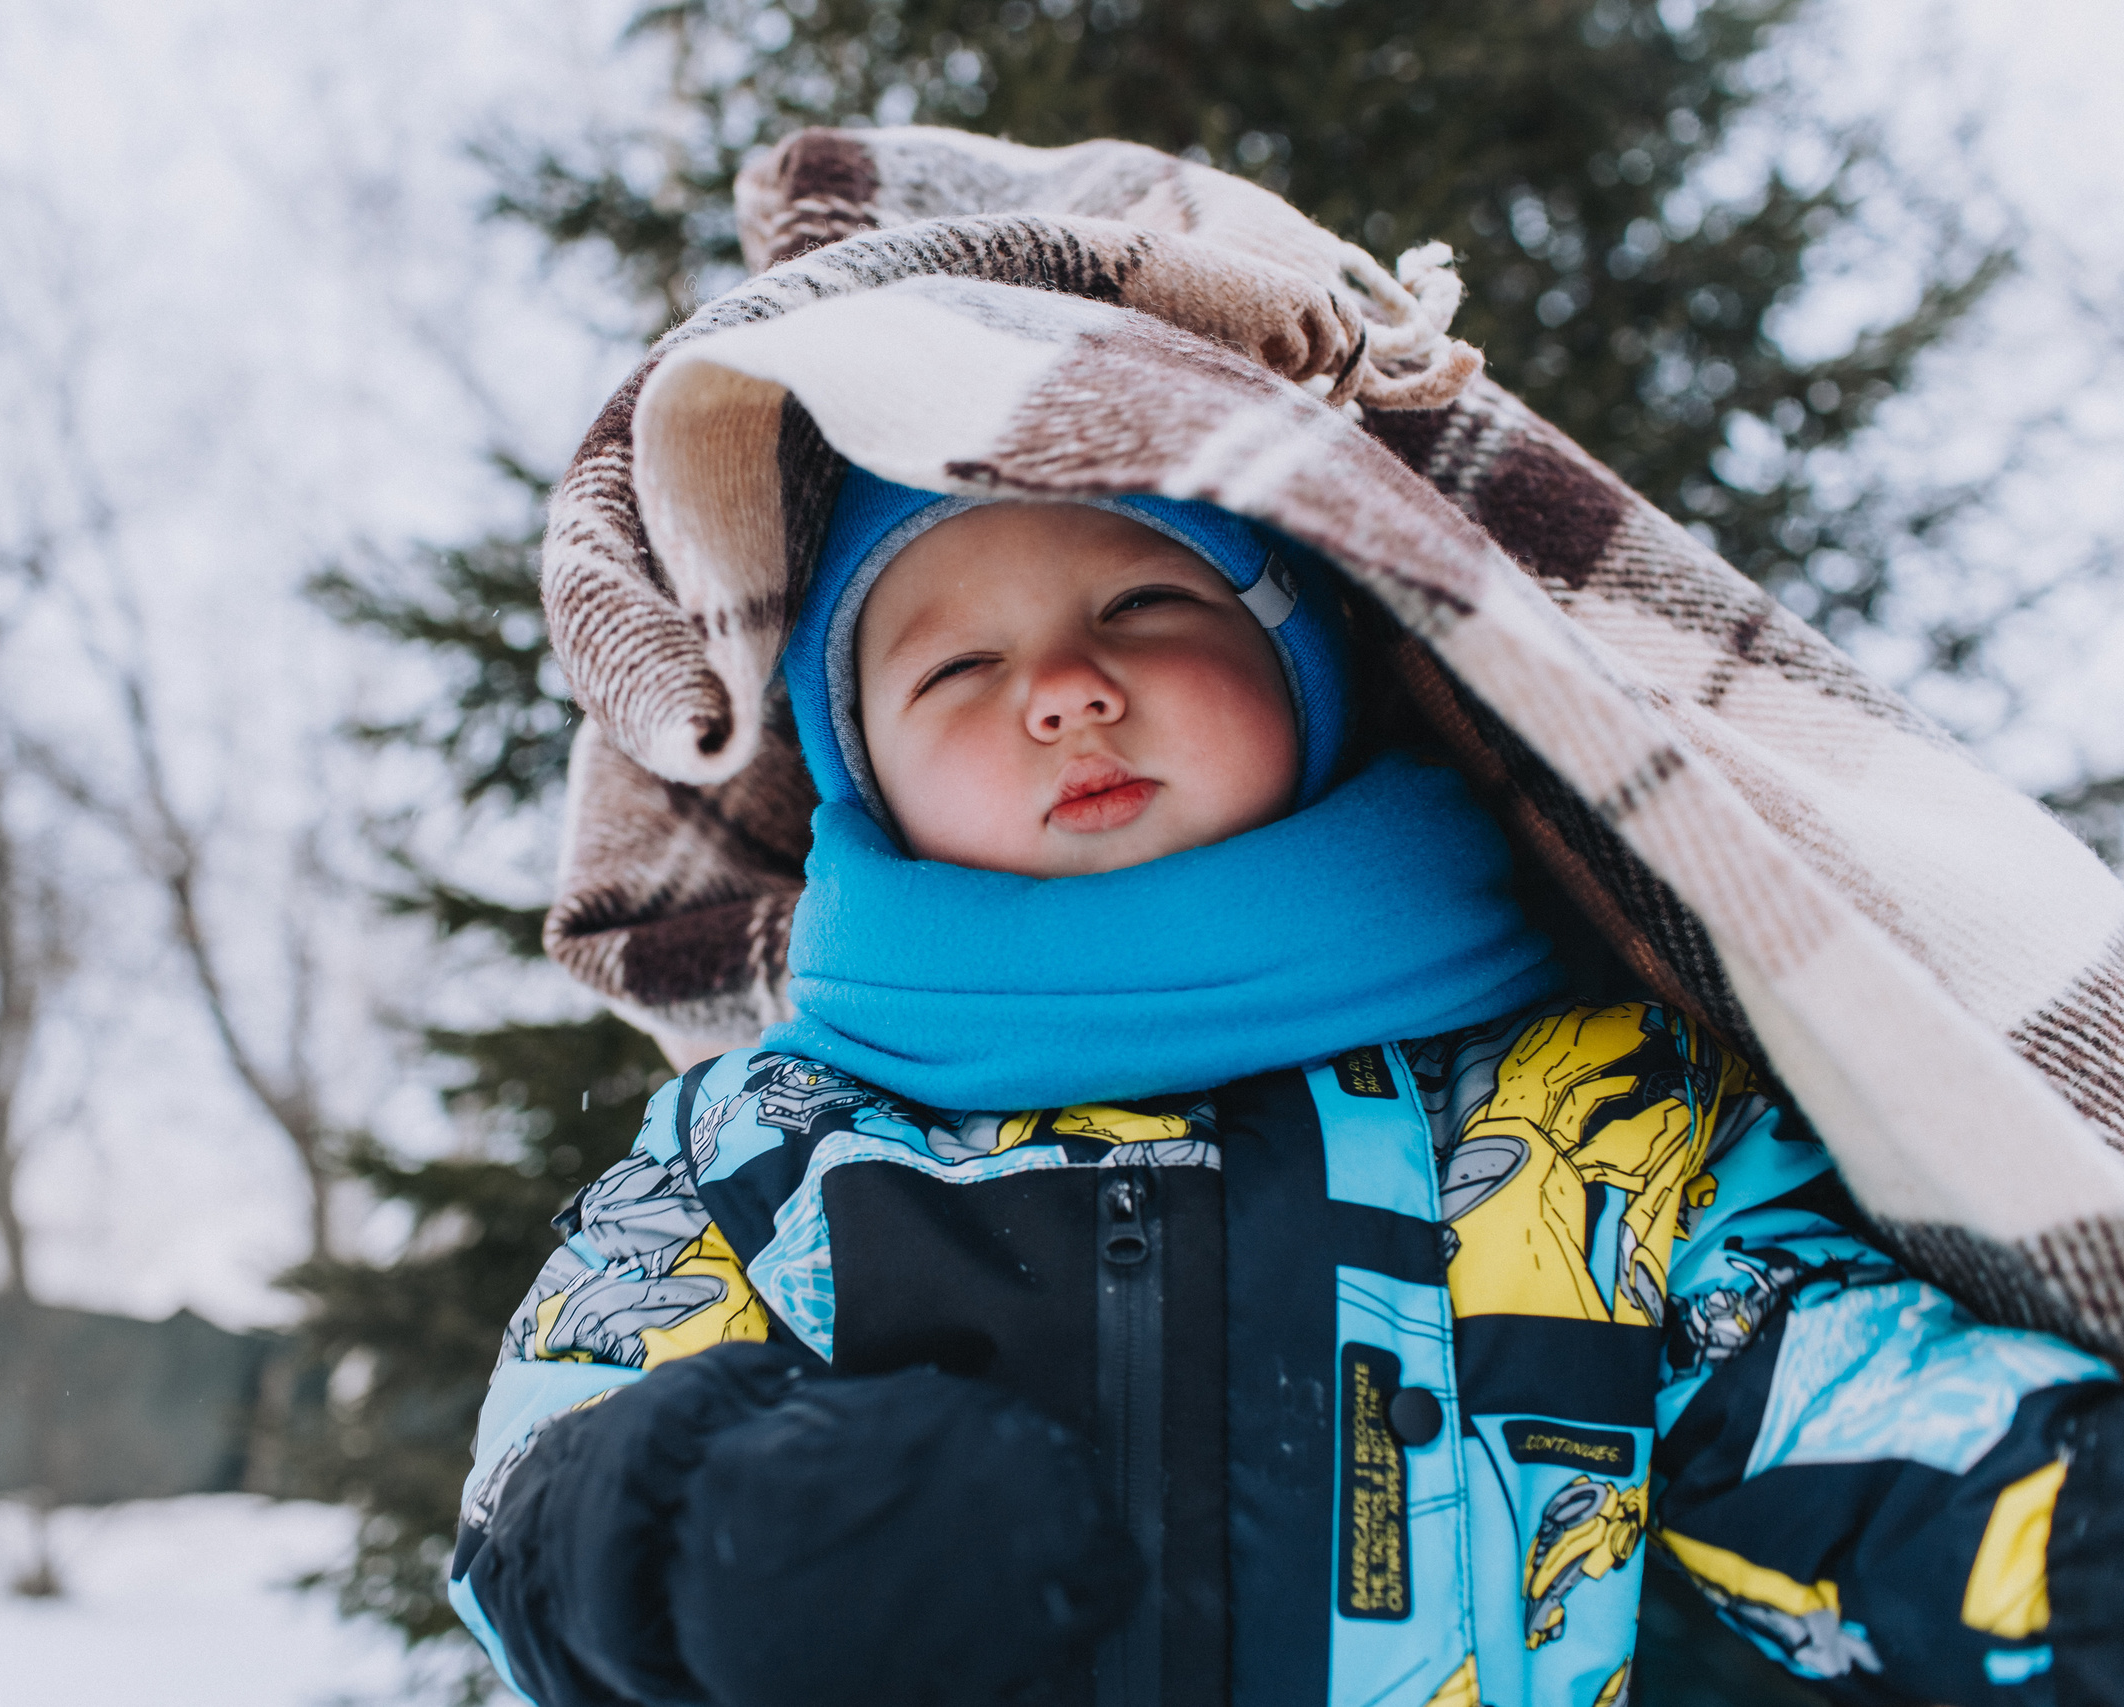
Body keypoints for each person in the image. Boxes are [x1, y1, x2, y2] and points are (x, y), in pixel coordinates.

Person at [447, 466, 2124, 1707]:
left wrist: (2072, 1531)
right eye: (954, 669)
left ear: (1308, 667)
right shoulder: (764, 1145)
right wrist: (717, 1533)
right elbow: (541, 1480)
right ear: (862, 780)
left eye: (1144, 603)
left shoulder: (1590, 1107)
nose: (1066, 687)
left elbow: (1836, 1419)